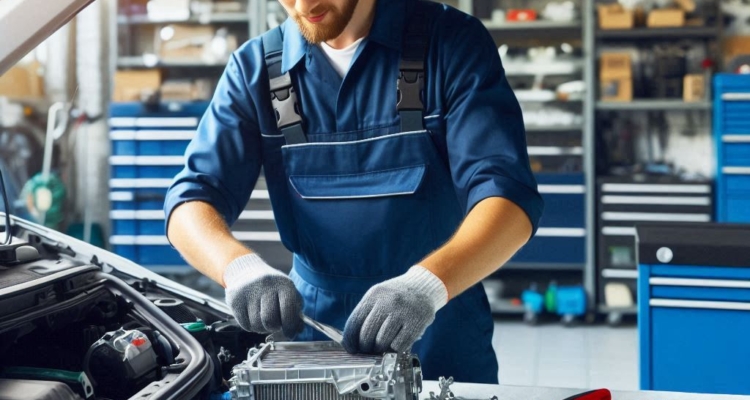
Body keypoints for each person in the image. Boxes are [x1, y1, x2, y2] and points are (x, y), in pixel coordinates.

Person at [164, 0, 543, 384]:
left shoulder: (450, 44)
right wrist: (240, 270)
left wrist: (426, 286)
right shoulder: (255, 68)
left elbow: (508, 197)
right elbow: (190, 199)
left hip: (438, 322)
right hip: (310, 335)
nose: (303, 4)